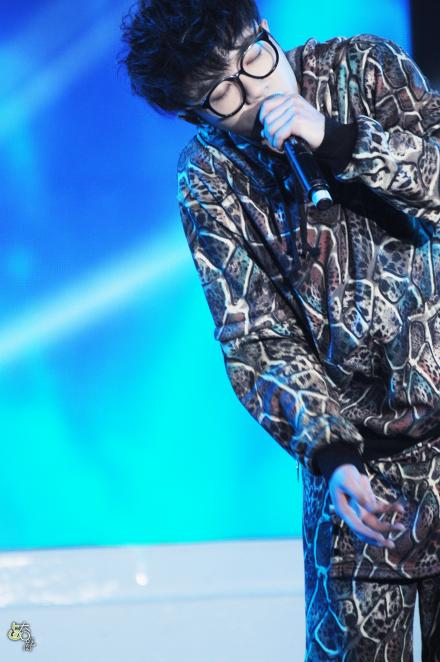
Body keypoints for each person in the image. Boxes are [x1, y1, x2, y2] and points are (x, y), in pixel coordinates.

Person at [118, 1, 440, 658]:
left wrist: (337, 139)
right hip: (356, 478)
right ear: (197, 114)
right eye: (222, 94)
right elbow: (256, 337)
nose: (255, 90)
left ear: (266, 32)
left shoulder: (365, 69)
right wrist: (333, 456)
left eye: (254, 58)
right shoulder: (210, 178)